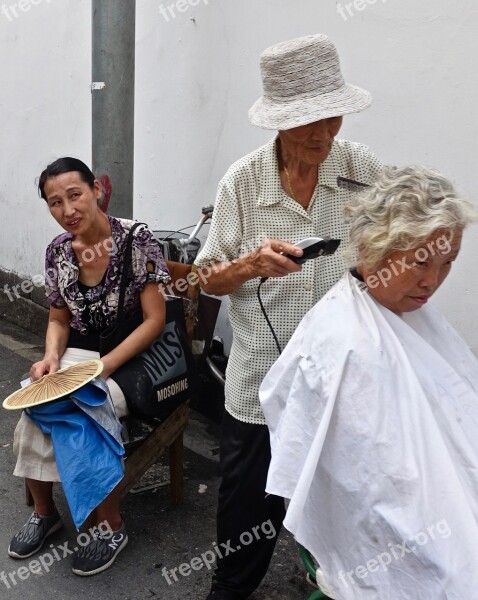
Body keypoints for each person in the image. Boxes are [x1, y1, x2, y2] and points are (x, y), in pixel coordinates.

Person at [195, 34, 383, 599]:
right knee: (248, 505)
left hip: (339, 380)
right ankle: (230, 590)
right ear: (278, 122)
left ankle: (332, 583)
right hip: (259, 380)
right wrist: (250, 264)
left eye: (333, 119)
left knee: (341, 502)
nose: (324, 135)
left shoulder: (362, 171)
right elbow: (205, 279)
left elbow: (392, 253)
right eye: (309, 124)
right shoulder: (243, 182)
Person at [259, 166, 478, 599]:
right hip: (397, 529)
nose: (432, 281)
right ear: (372, 247)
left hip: (446, 494)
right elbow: (369, 484)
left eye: (447, 262)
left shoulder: (411, 315)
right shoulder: (344, 341)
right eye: (419, 262)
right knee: (456, 575)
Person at [8, 157, 170, 576]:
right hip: (81, 352)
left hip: (134, 352)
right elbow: (59, 318)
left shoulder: (137, 239)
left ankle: (110, 525)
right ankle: (47, 514)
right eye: (54, 202)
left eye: (74, 195)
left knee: (84, 406)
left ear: (96, 190)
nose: (67, 210)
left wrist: (106, 366)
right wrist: (49, 358)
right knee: (33, 403)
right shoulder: (58, 252)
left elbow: (155, 320)